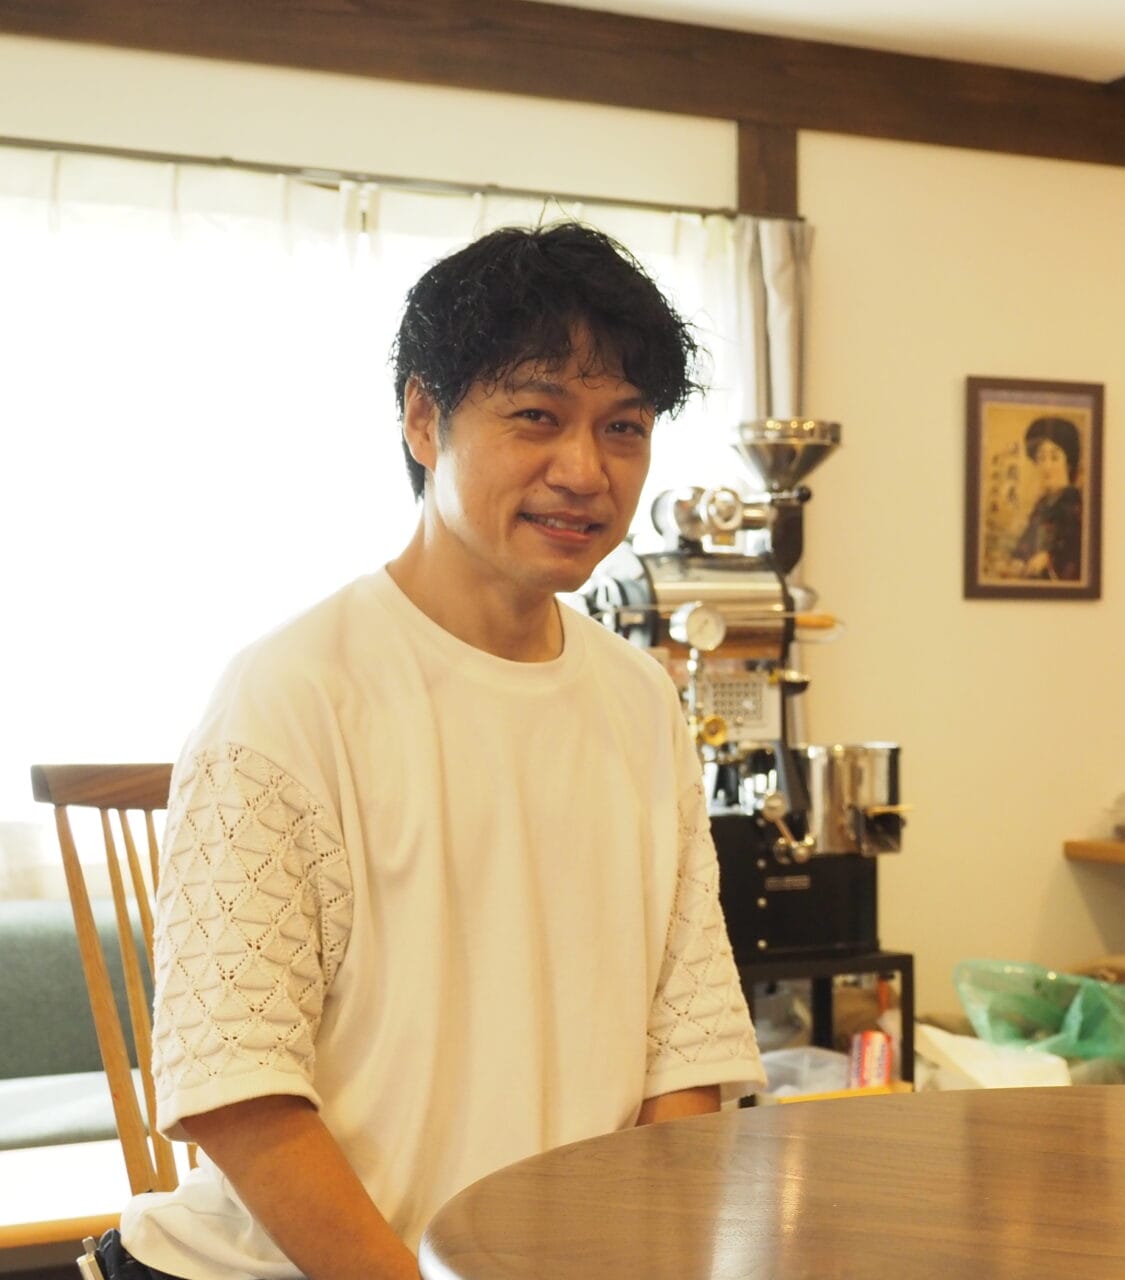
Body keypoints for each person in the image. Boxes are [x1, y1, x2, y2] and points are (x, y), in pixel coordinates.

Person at [96, 223, 765, 1280]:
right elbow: (237, 1089)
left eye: (624, 428)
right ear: (422, 417)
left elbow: (685, 1051)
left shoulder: (639, 699)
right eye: (537, 415)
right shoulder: (293, 693)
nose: (585, 470)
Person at [1010, 415, 1083, 581]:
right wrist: (1019, 558)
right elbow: (1027, 539)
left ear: (1068, 463)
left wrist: (1049, 557)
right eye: (1041, 458)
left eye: (1054, 457)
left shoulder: (1075, 502)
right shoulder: (1043, 504)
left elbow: (1073, 546)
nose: (1046, 466)